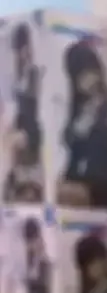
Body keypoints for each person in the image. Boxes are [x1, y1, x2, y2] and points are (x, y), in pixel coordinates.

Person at [58, 40, 107, 210]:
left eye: (88, 72)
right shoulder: (80, 107)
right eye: (78, 76)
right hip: (80, 181)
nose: (84, 80)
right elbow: (70, 141)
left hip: (103, 186)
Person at [3, 21, 43, 203]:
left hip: (29, 137)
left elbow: (33, 111)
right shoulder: (15, 74)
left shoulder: (34, 74)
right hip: (18, 135)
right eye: (19, 49)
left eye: (25, 49)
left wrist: (25, 134)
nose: (22, 54)